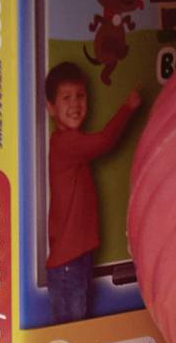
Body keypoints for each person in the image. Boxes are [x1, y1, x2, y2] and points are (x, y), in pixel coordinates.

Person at [44, 61, 144, 324]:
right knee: (72, 330)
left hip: (75, 260)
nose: (75, 104)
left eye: (80, 96)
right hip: (68, 264)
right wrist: (128, 108)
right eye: (66, 98)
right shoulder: (67, 144)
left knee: (77, 326)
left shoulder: (71, 144)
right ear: (50, 107)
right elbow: (105, 141)